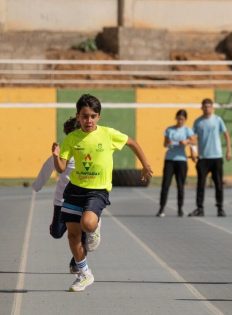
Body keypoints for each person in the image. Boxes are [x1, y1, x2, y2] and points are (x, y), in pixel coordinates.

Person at [53, 94, 153, 292]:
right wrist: (56, 156)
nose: (88, 120)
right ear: (78, 116)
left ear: (99, 117)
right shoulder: (72, 138)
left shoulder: (108, 134)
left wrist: (145, 164)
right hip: (75, 190)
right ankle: (84, 273)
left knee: (88, 223)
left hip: (97, 190)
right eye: (84, 116)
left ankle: (95, 224)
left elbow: (132, 142)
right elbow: (61, 168)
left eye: (93, 116)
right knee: (73, 235)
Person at [33, 117, 82, 273]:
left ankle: (77, 261)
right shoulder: (62, 152)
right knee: (56, 233)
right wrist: (37, 185)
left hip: (81, 199)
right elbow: (48, 166)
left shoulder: (88, 151)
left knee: (83, 232)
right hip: (61, 200)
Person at [188, 98, 232, 217]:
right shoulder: (198, 122)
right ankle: (199, 208)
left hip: (216, 157)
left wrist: (229, 150)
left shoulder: (218, 120)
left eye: (209, 106)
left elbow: (226, 135)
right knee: (200, 184)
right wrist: (193, 152)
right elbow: (192, 139)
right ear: (202, 108)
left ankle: (220, 208)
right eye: (205, 106)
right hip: (203, 158)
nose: (207, 109)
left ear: (212, 108)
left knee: (218, 184)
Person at [158, 109, 195, 217]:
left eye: (182, 119)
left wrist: (186, 141)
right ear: (176, 118)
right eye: (178, 119)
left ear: (185, 119)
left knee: (180, 185)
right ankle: (161, 208)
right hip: (170, 159)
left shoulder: (187, 130)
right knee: (165, 184)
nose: (180, 121)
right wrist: (168, 143)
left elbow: (194, 141)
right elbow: (165, 144)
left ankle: (180, 208)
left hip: (181, 160)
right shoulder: (169, 129)